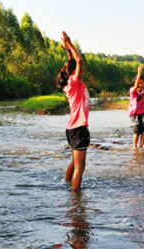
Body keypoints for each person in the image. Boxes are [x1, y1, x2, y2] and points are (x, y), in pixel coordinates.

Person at [56, 31, 90, 190]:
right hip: (78, 128)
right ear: (75, 72)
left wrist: (68, 50)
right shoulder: (75, 82)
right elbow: (79, 60)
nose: (82, 72)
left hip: (72, 128)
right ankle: (76, 201)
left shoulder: (69, 83)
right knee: (80, 167)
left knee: (74, 162)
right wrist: (69, 43)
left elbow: (72, 63)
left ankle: (65, 183)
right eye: (79, 70)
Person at [127, 64, 144, 150]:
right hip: (133, 113)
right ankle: (134, 147)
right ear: (135, 83)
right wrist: (139, 72)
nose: (141, 85)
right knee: (137, 129)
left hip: (143, 112)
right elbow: (135, 86)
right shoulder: (132, 90)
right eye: (139, 83)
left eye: (142, 83)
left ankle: (141, 146)